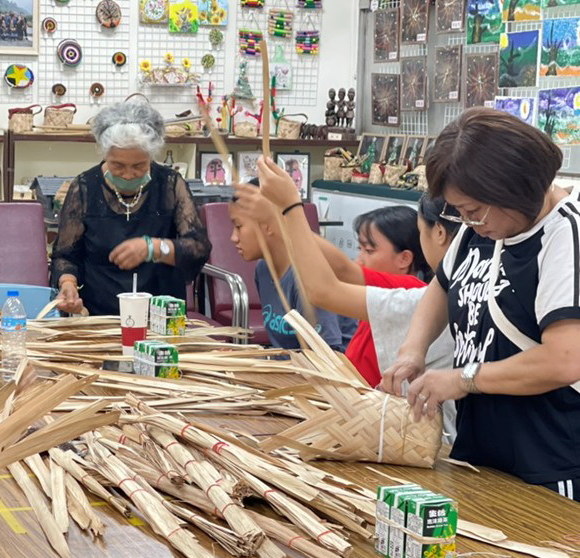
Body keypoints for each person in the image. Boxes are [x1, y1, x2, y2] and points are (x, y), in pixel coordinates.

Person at [382, 107, 580, 501]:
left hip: (549, 463)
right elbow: (442, 286)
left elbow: (565, 358)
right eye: (459, 211)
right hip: (481, 451)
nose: (468, 221)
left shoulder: (565, 235)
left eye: (472, 211)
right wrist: (413, 350)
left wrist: (461, 379)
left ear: (515, 190)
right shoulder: (483, 228)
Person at [241, 158, 461, 438]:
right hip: (368, 420)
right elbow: (343, 268)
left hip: (392, 432)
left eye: (369, 250)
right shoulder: (432, 294)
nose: (360, 258)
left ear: (439, 233)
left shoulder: (418, 294)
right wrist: (283, 215)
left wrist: (287, 210)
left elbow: (327, 287)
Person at [51, 102, 211, 316]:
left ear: (151, 157)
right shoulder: (85, 188)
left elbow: (198, 247)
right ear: (105, 154)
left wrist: (153, 248)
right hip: (98, 317)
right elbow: (65, 256)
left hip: (160, 316)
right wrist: (68, 284)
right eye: (117, 165)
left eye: (139, 166)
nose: (127, 175)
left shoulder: (170, 185)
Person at [229, 177, 344, 351]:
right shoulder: (263, 269)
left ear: (269, 225)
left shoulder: (307, 276)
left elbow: (327, 357)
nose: (233, 237)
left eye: (238, 226)